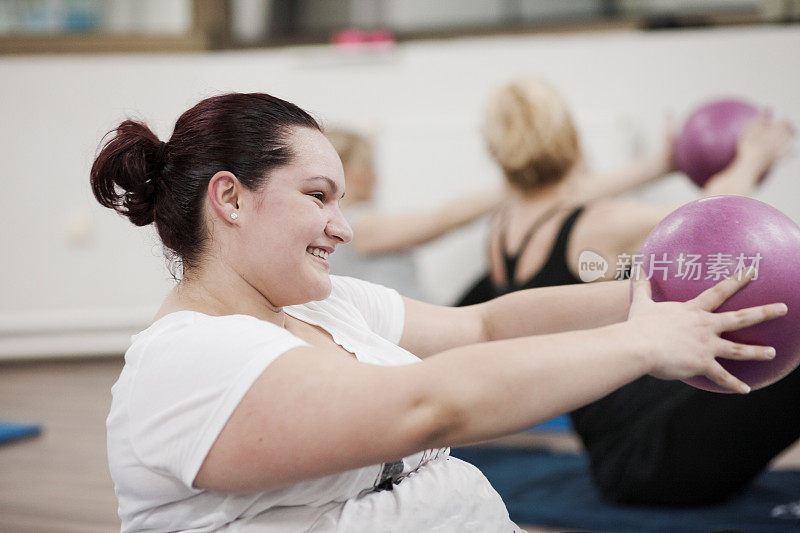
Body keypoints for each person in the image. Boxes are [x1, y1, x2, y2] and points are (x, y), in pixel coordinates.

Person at [92, 92, 785, 532]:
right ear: (231, 198)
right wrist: (641, 343)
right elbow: (429, 404)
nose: (345, 227)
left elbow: (484, 325)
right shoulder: (185, 361)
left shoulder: (326, 305)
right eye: (319, 195)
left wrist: (654, 291)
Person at [457, 75, 797, 505]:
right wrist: (752, 158)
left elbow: (566, 197)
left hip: (618, 454)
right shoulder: (599, 224)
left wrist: (661, 162)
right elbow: (713, 219)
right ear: (572, 139)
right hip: (656, 456)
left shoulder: (503, 227)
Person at [324, 127, 504, 301]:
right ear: (343, 170)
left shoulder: (343, 222)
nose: (375, 177)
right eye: (367, 167)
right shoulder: (358, 226)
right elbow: (446, 218)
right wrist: (513, 189)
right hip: (415, 326)